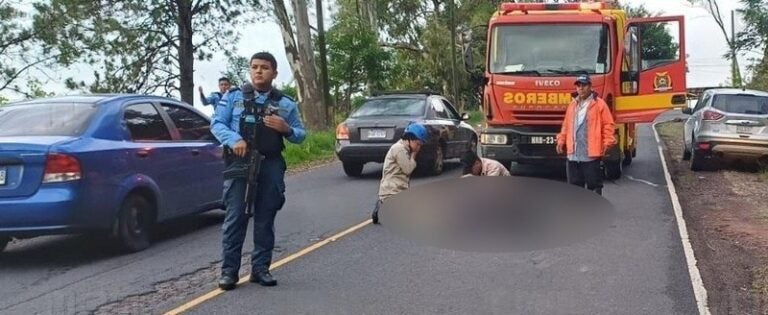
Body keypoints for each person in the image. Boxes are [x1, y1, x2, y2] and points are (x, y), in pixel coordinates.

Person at [211, 52, 306, 290]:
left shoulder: (285, 103)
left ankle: (260, 269)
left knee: (266, 217)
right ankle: (229, 272)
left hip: (270, 164)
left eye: (264, 67)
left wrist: (286, 129)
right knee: (235, 218)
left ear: (274, 72)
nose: (258, 71)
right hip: (240, 163)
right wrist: (234, 140)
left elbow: (300, 134)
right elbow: (216, 124)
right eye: (254, 67)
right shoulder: (233, 98)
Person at [555, 74, 616, 195]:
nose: (580, 88)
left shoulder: (599, 104)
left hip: (591, 155)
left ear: (590, 87)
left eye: (583, 85)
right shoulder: (572, 105)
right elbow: (566, 125)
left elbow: (608, 125)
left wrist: (608, 143)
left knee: (593, 185)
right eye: (578, 85)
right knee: (575, 187)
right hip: (573, 155)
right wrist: (561, 140)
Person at [372, 123, 429, 225]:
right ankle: (382, 207)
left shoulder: (405, 149)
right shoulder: (399, 149)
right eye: (418, 144)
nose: (418, 148)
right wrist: (414, 155)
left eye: (420, 145)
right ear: (409, 139)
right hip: (391, 190)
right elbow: (408, 169)